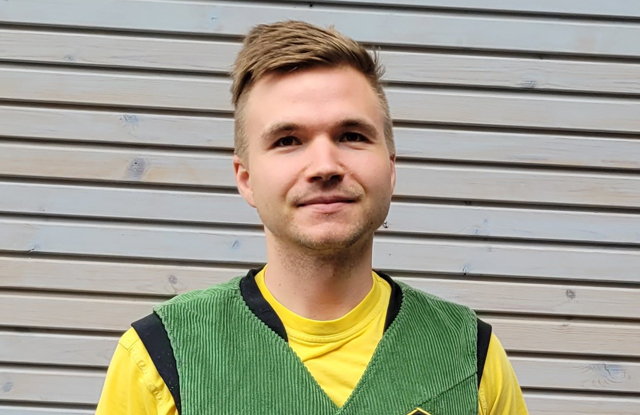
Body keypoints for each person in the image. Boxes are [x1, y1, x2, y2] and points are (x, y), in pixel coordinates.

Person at [96, 20, 529, 415]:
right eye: (288, 140)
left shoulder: (470, 356)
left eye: (351, 135)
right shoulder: (160, 357)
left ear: (390, 167)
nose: (325, 166)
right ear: (246, 178)